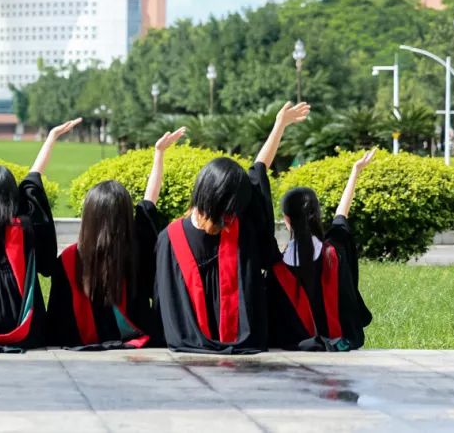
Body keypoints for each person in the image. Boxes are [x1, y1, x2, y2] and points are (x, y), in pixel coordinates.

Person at [155, 102, 310, 354]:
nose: (232, 215)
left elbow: (258, 172)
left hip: (216, 341)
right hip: (212, 341)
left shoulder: (239, 225)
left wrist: (279, 125)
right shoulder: (171, 239)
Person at [0, 118, 81, 352]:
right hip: (28, 332)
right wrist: (51, 138)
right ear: (11, 197)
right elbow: (31, 185)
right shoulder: (26, 230)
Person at [47, 127, 187, 349]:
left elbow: (57, 315)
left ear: (89, 215)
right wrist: (158, 153)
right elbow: (149, 201)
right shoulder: (137, 250)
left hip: (79, 338)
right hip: (136, 335)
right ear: (125, 214)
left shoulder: (68, 259)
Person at [267, 149, 375, 351]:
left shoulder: (277, 268)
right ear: (316, 214)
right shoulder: (334, 251)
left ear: (286, 219)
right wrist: (355, 171)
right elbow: (341, 215)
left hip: (294, 344)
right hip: (341, 339)